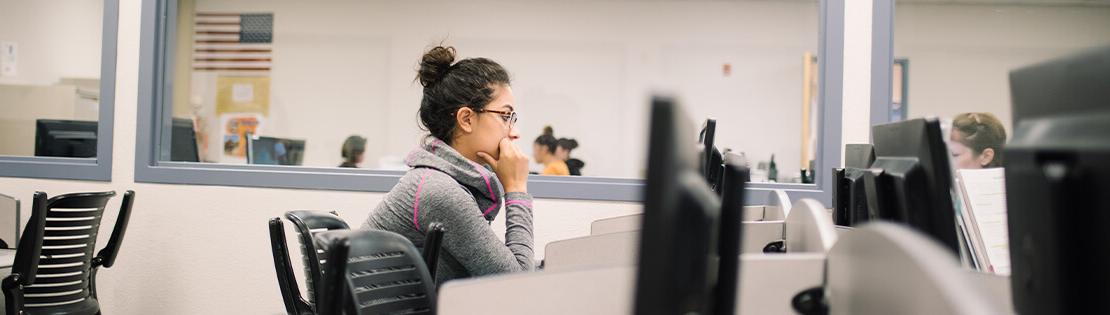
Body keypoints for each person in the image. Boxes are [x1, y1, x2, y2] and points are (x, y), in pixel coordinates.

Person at [362, 46, 535, 284]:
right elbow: (518, 284)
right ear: (466, 119)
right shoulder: (439, 190)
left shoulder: (445, 182)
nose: (515, 133)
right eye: (506, 116)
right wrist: (516, 188)